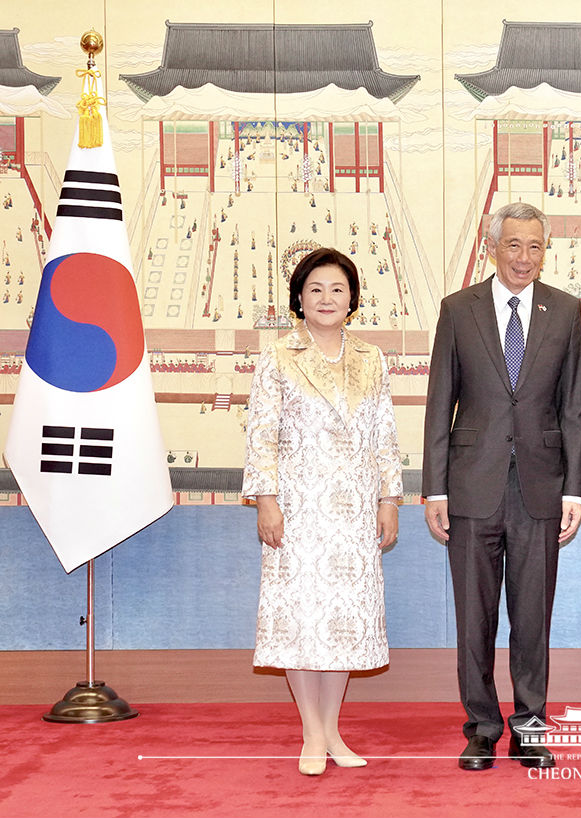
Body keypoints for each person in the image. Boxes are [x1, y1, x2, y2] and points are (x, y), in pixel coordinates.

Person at [423, 202, 581, 771]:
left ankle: (530, 725)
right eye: (514, 245)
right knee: (474, 616)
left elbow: (573, 407)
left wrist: (574, 490)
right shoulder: (457, 309)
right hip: (470, 487)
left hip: (541, 489)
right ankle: (481, 725)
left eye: (535, 246)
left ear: (547, 249)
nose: (525, 257)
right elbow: (440, 401)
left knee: (532, 615)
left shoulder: (565, 311)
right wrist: (434, 489)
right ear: (492, 246)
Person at [243, 247, 404, 776]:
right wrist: (266, 500)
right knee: (298, 622)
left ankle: (331, 729)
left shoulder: (371, 358)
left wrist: (389, 501)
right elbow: (261, 433)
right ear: (299, 300)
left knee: (342, 624)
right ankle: (312, 733)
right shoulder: (279, 356)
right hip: (296, 510)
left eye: (337, 289)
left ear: (353, 298)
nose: (327, 298)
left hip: (355, 512)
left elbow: (385, 435)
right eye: (315, 289)